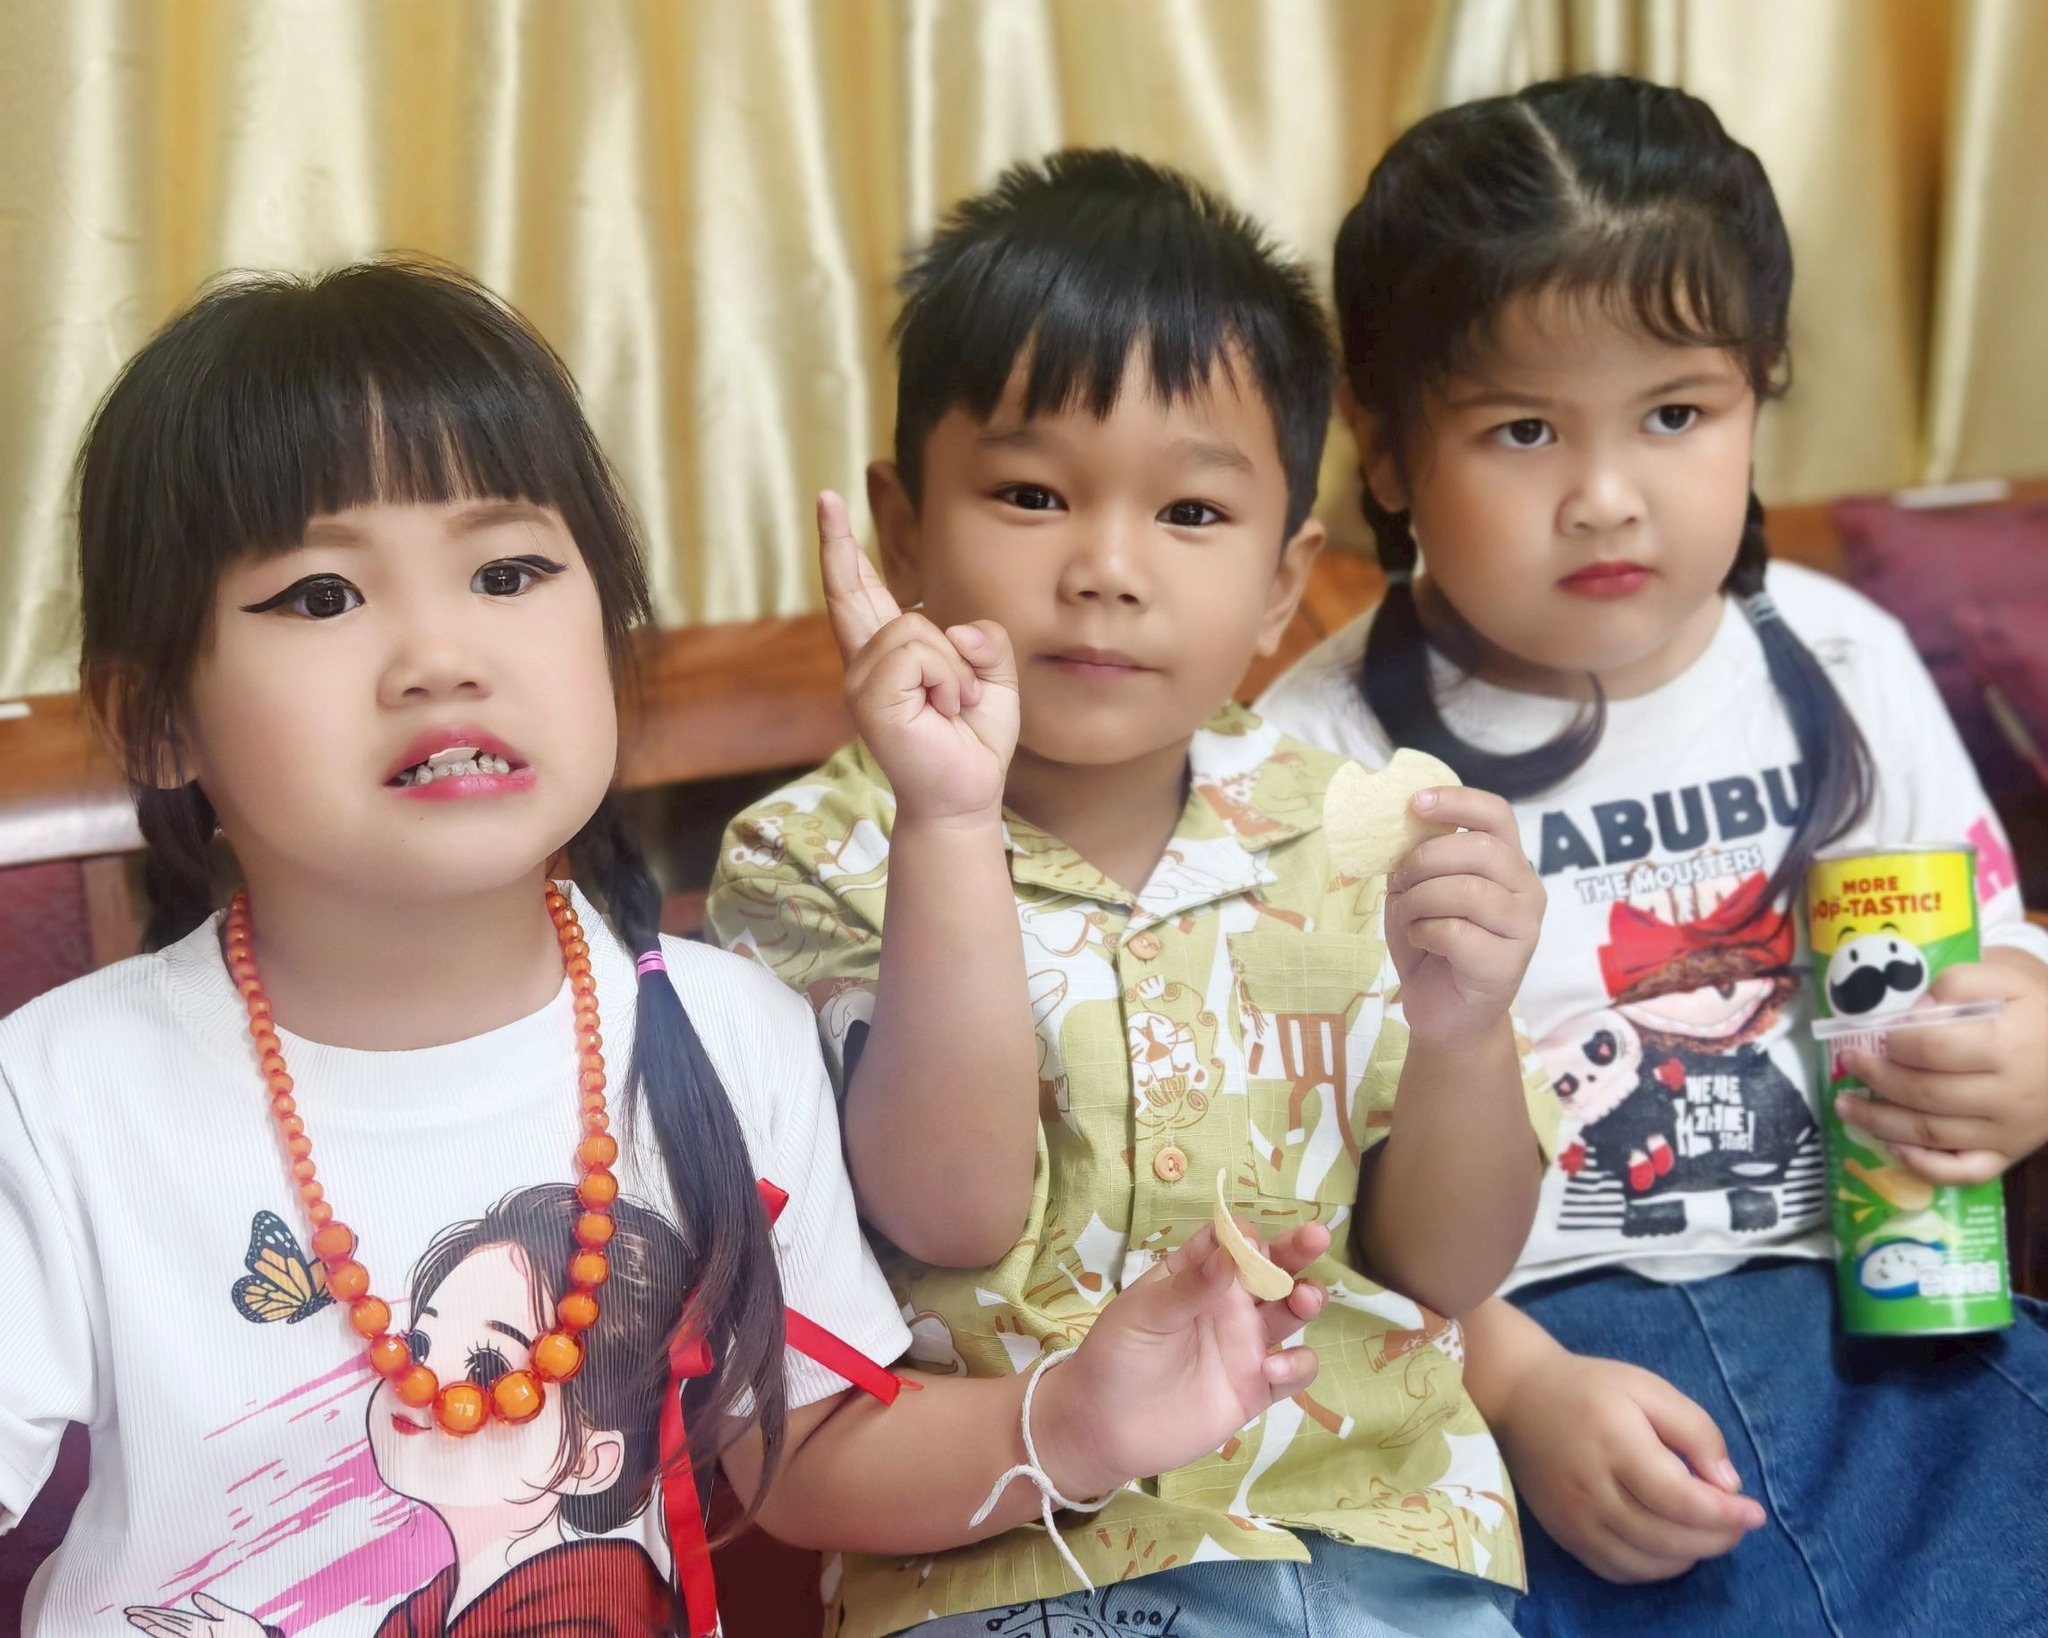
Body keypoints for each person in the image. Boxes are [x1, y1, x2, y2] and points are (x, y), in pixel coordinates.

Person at [5, 258, 1334, 1638]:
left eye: (508, 572)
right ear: (156, 715)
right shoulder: (58, 1097)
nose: (441, 655)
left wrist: (1080, 1417)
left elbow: (809, 1455)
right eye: (324, 595)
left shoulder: (719, 1030)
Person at [709, 150, 1556, 1638]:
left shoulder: (1360, 829)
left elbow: (1450, 1265)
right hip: (1017, 1571)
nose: (1106, 567)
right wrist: (949, 819)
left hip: (1384, 1549)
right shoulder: (813, 857)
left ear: (1285, 579)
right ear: (906, 530)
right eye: (1032, 493)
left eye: (1191, 514)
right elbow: (949, 1209)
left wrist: (1467, 1029)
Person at [1256, 74, 2048, 1635]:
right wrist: (1511, 1384)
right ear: (1388, 449)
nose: (1606, 497)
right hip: (1509, 1369)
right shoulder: (1312, 757)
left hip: (1882, 1322)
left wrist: (2021, 1040)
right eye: (1523, 428)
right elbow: (1286, 1191)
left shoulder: (1839, 655)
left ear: (1759, 391)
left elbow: (1989, 954)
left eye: (1677, 414)